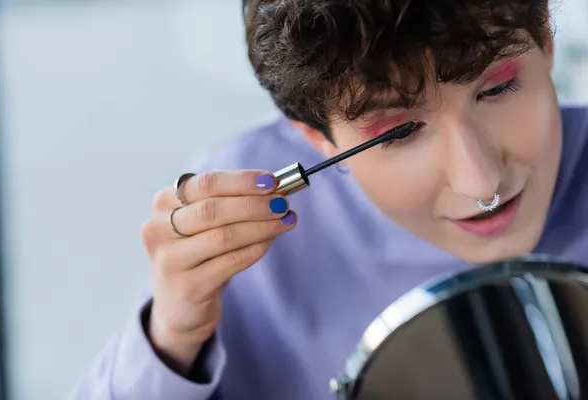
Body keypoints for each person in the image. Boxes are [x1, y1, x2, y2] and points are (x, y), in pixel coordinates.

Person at [69, 0, 588, 399]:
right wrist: (171, 337)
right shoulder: (247, 241)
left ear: (545, 42)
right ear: (317, 140)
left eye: (496, 90)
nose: (481, 182)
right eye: (397, 133)